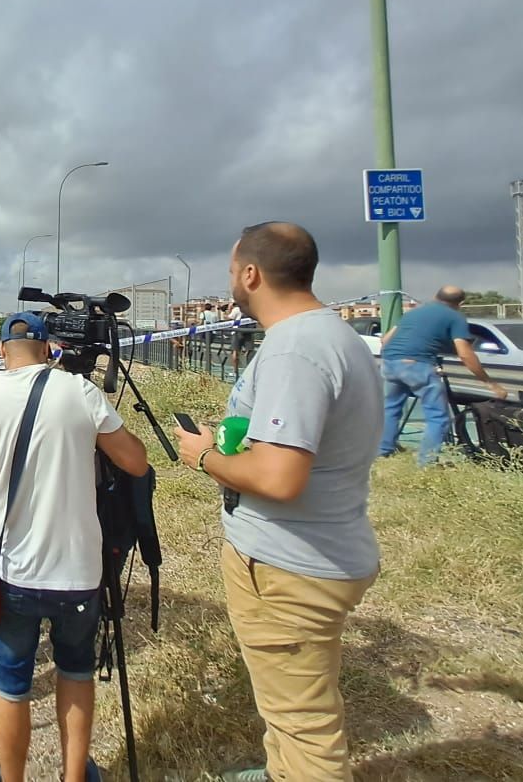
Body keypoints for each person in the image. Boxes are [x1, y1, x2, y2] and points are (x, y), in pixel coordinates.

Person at [173, 222, 383, 782]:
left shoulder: (296, 349)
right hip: (313, 549)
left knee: (305, 725)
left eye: (230, 271)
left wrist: (201, 456)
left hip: (290, 564)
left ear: (250, 274)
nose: (231, 282)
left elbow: (280, 476)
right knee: (289, 706)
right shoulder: (329, 335)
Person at [0, 312, 149, 782]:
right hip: (78, 571)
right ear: (49, 348)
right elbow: (136, 462)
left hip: (11, 571)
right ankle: (73, 776)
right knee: (76, 672)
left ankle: (12, 777)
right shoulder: (79, 392)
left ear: (2, 351)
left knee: (12, 684)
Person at [378, 286, 508, 467]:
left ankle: (382, 451)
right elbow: (465, 354)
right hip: (418, 365)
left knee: (391, 409)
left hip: (390, 363)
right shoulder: (455, 317)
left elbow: (385, 340)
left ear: (435, 296)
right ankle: (427, 463)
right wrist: (490, 383)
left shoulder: (414, 312)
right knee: (437, 417)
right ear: (460, 304)